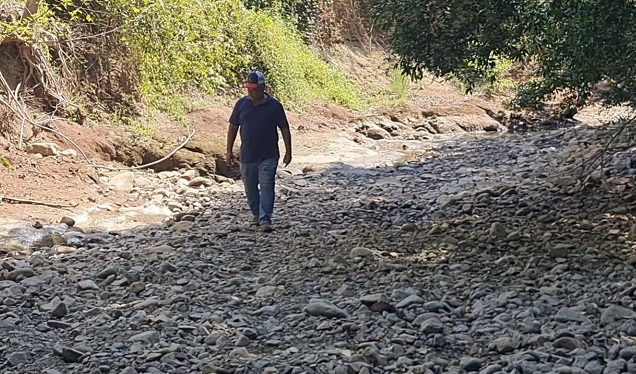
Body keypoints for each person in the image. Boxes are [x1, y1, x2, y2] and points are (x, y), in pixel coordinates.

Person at [226, 71, 292, 232]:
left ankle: (265, 219)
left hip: (268, 155)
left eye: (254, 88)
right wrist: (228, 150)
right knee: (250, 188)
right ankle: (256, 214)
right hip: (247, 155)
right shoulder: (241, 104)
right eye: (248, 88)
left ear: (262, 87)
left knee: (267, 186)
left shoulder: (275, 106)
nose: (250, 91)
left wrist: (288, 151)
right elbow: (233, 128)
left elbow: (284, 128)